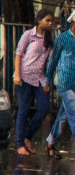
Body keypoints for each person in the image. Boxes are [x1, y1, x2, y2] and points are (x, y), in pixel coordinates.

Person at [16, 10, 56, 155]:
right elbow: (19, 54)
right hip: (24, 76)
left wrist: (47, 82)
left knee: (44, 108)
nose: (50, 23)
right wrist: (17, 75)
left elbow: (50, 62)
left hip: (39, 77)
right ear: (39, 20)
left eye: (51, 21)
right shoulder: (28, 35)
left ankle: (27, 136)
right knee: (24, 109)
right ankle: (20, 144)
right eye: (47, 20)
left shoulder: (49, 38)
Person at [46, 18, 75, 155]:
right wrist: (47, 81)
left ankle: (51, 141)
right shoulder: (62, 38)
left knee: (64, 114)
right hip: (65, 82)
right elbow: (53, 60)